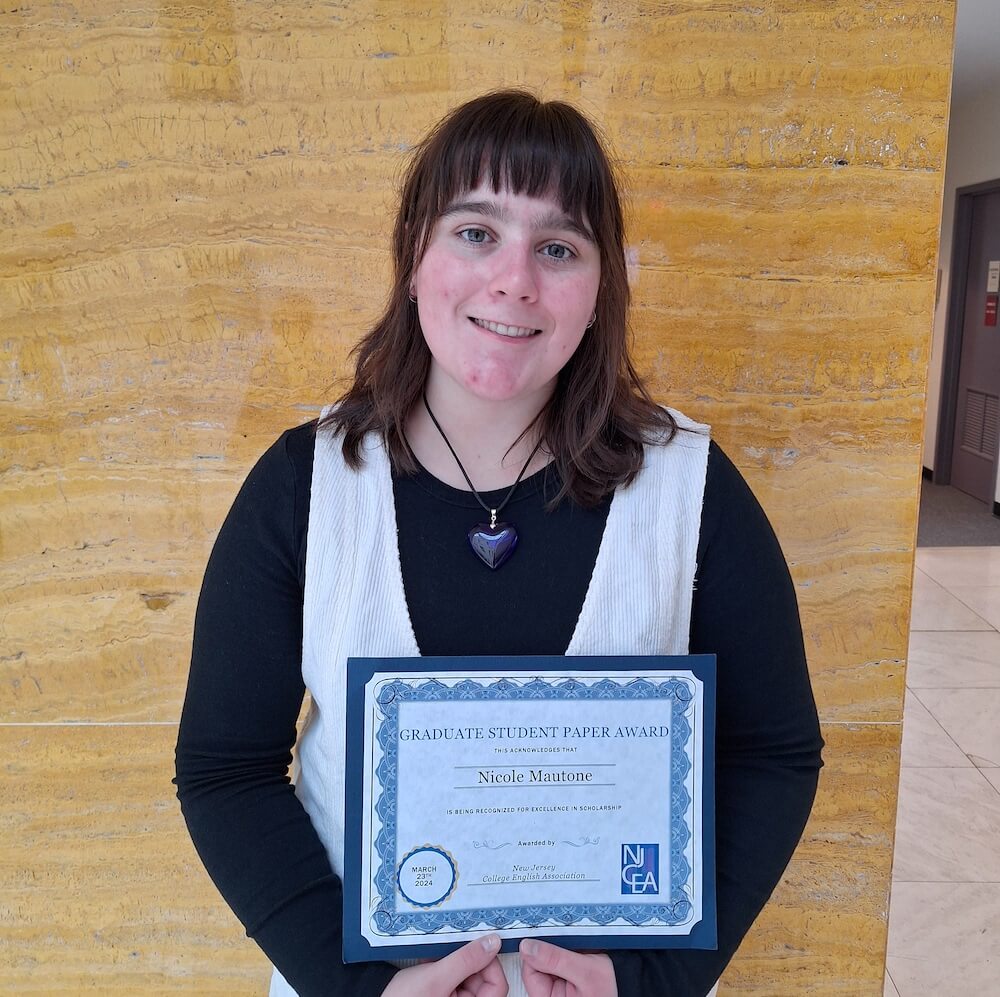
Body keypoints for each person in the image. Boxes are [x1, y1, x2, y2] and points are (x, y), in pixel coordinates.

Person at [175, 90, 823, 997]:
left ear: (600, 292)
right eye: (477, 232)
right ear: (413, 257)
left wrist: (654, 980)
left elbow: (773, 751)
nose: (514, 279)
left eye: (557, 248)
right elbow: (225, 769)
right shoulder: (304, 486)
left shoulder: (691, 489)